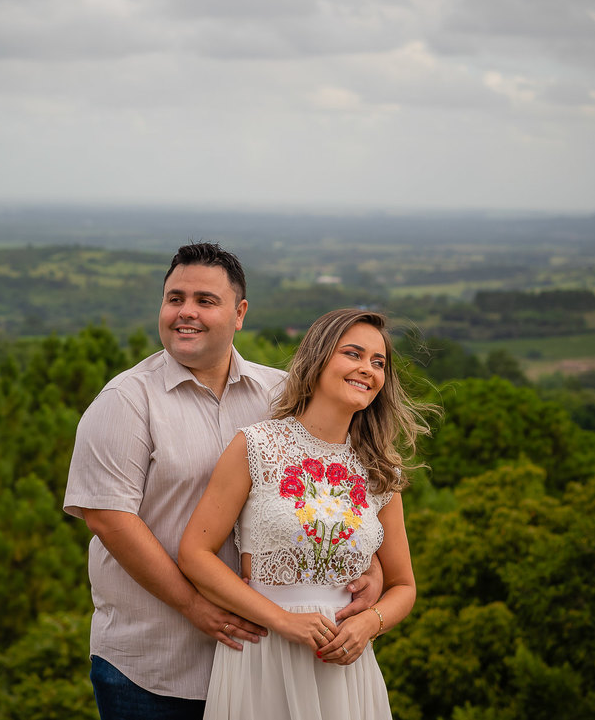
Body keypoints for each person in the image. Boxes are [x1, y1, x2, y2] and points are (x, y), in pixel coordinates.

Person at [64, 244, 381, 720]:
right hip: (154, 664)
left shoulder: (282, 395)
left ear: (239, 313)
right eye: (175, 298)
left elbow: (333, 487)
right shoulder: (125, 401)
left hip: (267, 665)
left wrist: (363, 567)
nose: (185, 312)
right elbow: (109, 520)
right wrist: (194, 605)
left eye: (205, 301)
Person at [179, 308, 430, 720]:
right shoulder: (256, 446)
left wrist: (370, 623)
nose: (367, 369)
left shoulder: (382, 470)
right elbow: (195, 554)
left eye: (378, 362)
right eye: (353, 354)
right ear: (318, 359)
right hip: (264, 658)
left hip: (346, 668)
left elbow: (404, 585)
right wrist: (281, 620)